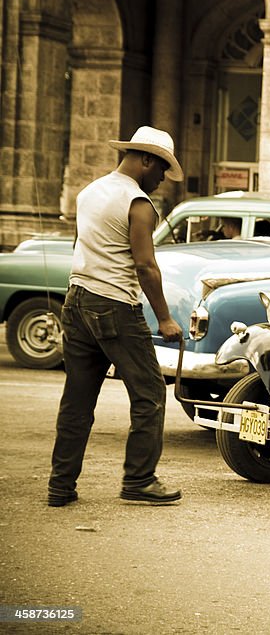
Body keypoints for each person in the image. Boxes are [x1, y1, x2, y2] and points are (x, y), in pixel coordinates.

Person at [47, 126, 184, 507]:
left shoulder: (90, 192)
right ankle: (139, 480)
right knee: (150, 394)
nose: (161, 181)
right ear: (146, 160)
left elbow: (81, 247)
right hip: (114, 306)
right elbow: (145, 266)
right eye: (161, 171)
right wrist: (166, 319)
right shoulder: (137, 203)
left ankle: (61, 485)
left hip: (77, 300)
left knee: (76, 401)